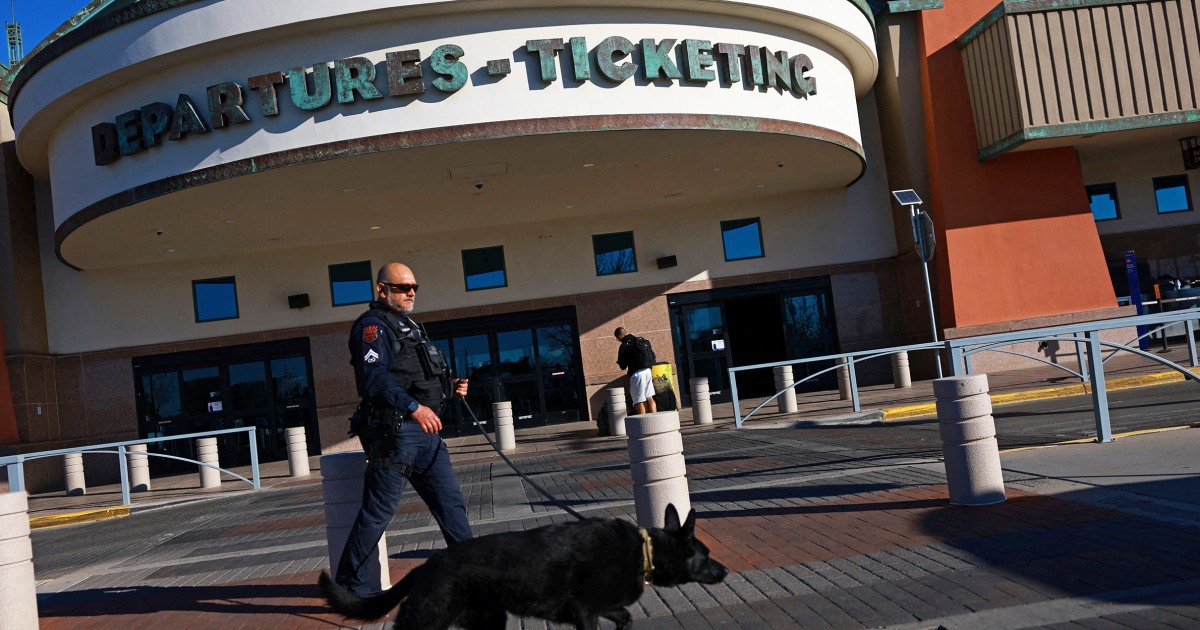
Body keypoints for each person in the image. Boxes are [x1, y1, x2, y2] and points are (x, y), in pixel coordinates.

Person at [334, 262, 472, 597]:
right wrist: (413, 407)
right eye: (402, 287)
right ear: (382, 289)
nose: (410, 293)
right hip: (395, 434)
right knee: (378, 512)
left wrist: (448, 389)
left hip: (426, 436)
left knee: (451, 504)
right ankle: (346, 588)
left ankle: (472, 572)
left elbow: (411, 376)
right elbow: (373, 380)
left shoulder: (407, 325)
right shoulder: (373, 327)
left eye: (414, 287)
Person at [614, 327, 658, 415]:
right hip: (648, 371)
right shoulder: (640, 341)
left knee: (638, 400)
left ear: (620, 336)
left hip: (637, 374)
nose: (618, 340)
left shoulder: (624, 345)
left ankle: (642, 424)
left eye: (617, 338)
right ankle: (654, 419)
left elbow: (623, 366)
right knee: (649, 397)